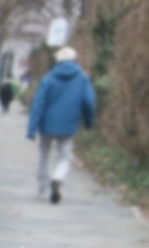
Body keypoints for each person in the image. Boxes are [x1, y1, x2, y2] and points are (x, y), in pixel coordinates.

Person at [27, 46, 96, 204]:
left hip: (46, 125)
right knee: (64, 156)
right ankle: (58, 178)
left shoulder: (49, 78)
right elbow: (89, 102)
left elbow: (39, 104)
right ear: (74, 60)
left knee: (43, 156)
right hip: (68, 124)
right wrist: (89, 121)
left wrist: (32, 128)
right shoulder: (82, 78)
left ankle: (43, 186)